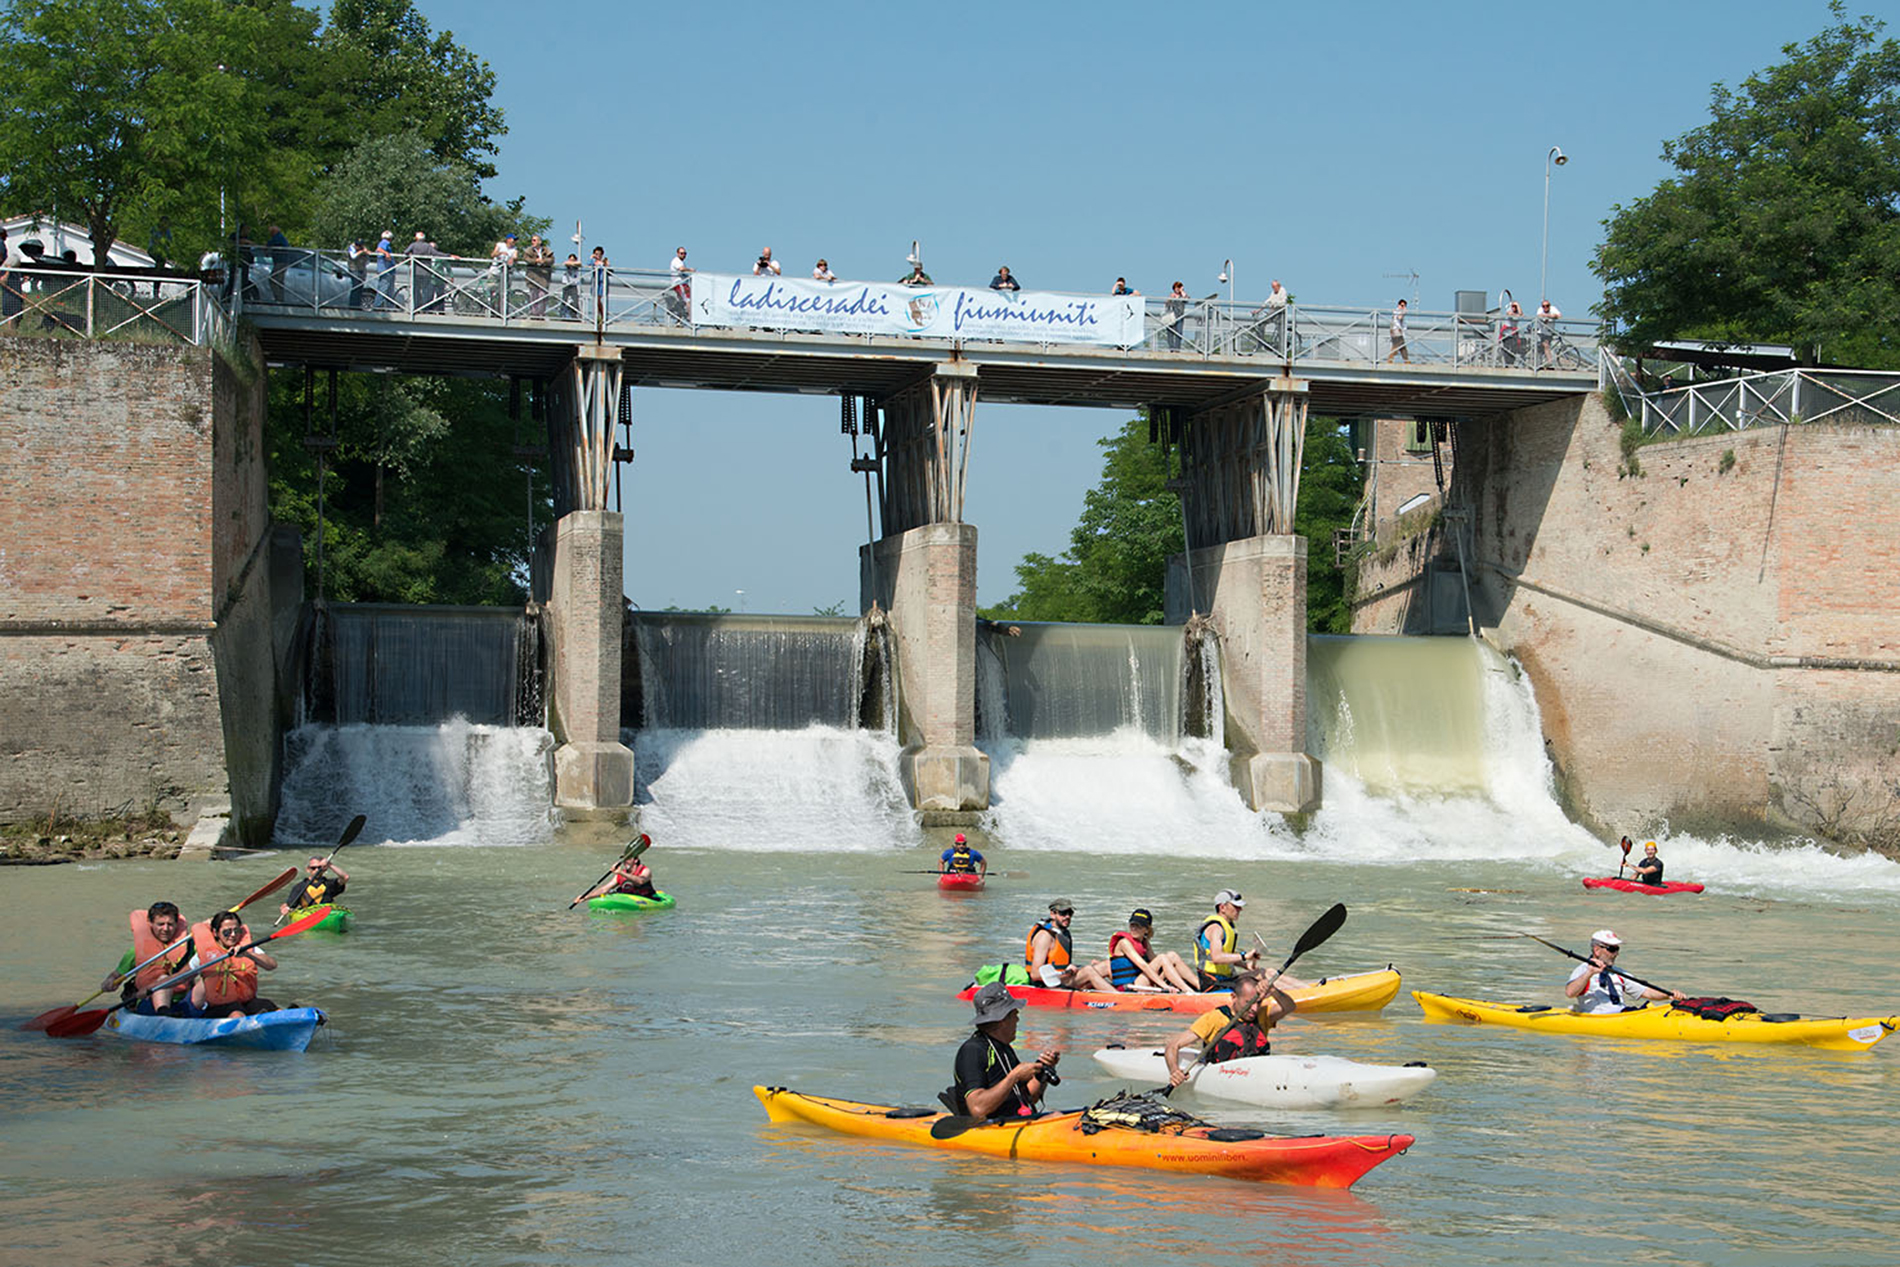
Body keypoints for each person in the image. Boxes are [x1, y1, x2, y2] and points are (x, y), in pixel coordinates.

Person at [948, 981, 1060, 1120]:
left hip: (1016, 1122)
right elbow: (977, 1108)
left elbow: (1029, 1097)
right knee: (1056, 1117)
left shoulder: (1003, 1048)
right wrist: (1014, 1076)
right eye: (1014, 1014)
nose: (1018, 1019)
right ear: (1002, 1019)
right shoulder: (972, 1051)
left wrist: (1043, 1071)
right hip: (989, 1129)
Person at [1161, 970, 1297, 1083]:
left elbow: (1290, 1006)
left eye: (1258, 1002)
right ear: (1234, 997)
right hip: (1222, 1077)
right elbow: (1173, 1045)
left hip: (1255, 1075)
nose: (1254, 1009)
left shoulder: (1263, 1015)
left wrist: (1273, 990)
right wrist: (1174, 1071)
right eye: (1248, 1003)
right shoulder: (1215, 1018)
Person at [101, 900, 194, 1016]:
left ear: (176, 924)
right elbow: (116, 975)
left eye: (170, 924)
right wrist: (109, 982)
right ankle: (163, 1012)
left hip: (182, 1000)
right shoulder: (136, 951)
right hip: (149, 1002)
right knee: (163, 978)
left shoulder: (189, 946)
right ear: (150, 923)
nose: (165, 929)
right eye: (160, 924)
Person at [1563, 929, 1687, 1014]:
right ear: (1597, 950)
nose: (1616, 954)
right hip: (1599, 1018)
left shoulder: (1618, 973)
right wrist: (1589, 973)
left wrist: (1668, 995)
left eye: (1617, 949)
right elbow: (1570, 992)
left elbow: (1646, 992)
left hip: (1621, 1014)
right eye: (1612, 949)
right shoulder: (1583, 969)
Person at [188, 910, 280, 1018]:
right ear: (215, 933)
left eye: (236, 931)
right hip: (220, 1008)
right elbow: (182, 977)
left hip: (247, 1003)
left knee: (267, 1005)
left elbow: (272, 965)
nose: (233, 935)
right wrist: (164, 986)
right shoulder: (205, 955)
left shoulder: (247, 949)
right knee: (236, 1013)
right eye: (227, 932)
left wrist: (248, 955)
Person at [1026, 900, 1114, 990]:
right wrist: (1065, 972)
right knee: (1088, 971)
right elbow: (1035, 975)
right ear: (1052, 914)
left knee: (1107, 965)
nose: (1067, 916)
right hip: (1048, 985)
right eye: (1063, 913)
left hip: (1065, 979)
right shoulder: (1044, 936)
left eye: (1070, 913)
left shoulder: (1062, 933)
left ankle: (1123, 990)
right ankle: (1119, 998)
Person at [1106, 909, 1198, 992]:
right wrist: (1165, 986)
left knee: (1172, 955)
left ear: (1146, 930)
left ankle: (1199, 985)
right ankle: (1187, 990)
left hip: (1141, 981)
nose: (1134, 928)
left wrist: (1171, 972)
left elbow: (1158, 963)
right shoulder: (1124, 943)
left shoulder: (1145, 943)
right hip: (1130, 986)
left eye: (1138, 926)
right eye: (1132, 925)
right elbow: (1144, 966)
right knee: (1162, 958)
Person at [280, 854, 349, 917]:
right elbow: (289, 905)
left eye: (319, 868)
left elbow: (345, 877)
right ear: (308, 869)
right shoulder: (299, 887)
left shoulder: (329, 884)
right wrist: (284, 908)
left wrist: (330, 865)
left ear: (324, 869)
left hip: (327, 915)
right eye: (313, 868)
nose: (316, 870)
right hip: (307, 915)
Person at [405, 231, 441, 313]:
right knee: (426, 291)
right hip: (426, 271)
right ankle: (425, 309)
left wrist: (410, 257)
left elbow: (406, 252)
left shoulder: (413, 245)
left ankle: (416, 308)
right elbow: (436, 253)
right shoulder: (427, 246)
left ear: (416, 238)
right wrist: (448, 255)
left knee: (416, 291)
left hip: (416, 271)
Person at [522, 234, 554, 317]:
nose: (532, 242)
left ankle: (541, 313)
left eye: (534, 240)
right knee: (533, 295)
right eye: (532, 240)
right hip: (533, 275)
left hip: (544, 276)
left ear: (540, 241)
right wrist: (535, 261)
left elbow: (551, 260)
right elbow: (526, 259)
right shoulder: (529, 250)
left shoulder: (546, 250)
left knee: (542, 295)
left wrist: (543, 261)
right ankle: (534, 313)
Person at [264, 225, 291, 303]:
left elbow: (272, 243)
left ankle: (279, 299)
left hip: (281, 262)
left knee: (274, 279)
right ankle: (280, 299)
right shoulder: (279, 238)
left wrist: (266, 246)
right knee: (278, 280)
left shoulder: (278, 237)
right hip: (280, 262)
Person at [1535, 298, 1563, 368]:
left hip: (1549, 331)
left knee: (1547, 346)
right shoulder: (1540, 310)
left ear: (1549, 306)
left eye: (1547, 306)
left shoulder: (1553, 309)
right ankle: (1550, 362)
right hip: (1541, 331)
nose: (1545, 308)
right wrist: (1551, 316)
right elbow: (1540, 317)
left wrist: (1548, 316)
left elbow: (1559, 315)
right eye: (1543, 306)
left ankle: (1545, 361)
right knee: (1546, 345)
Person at [1162, 280, 1188, 351]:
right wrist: (1170, 299)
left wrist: (1182, 291)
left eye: (1179, 287)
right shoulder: (1171, 295)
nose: (1177, 289)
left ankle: (1177, 348)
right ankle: (1171, 348)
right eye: (1176, 287)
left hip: (1180, 316)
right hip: (1171, 316)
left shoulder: (1182, 296)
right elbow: (1167, 305)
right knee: (1170, 332)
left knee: (1179, 332)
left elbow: (1186, 300)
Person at [1499, 299, 1524, 366]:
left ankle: (1512, 362)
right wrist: (1512, 305)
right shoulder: (1509, 310)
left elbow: (1521, 314)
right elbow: (1511, 314)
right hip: (1506, 332)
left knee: (1514, 348)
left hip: (1514, 332)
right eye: (1513, 306)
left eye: (1515, 307)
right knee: (1506, 347)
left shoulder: (1517, 312)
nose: (1514, 308)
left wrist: (1518, 305)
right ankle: (1507, 363)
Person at [589, 245, 611, 321]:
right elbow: (589, 265)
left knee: (598, 299)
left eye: (599, 254)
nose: (597, 256)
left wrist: (606, 264)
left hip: (602, 283)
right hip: (595, 282)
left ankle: (602, 316)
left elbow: (609, 270)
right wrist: (592, 258)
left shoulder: (604, 262)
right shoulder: (594, 261)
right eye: (596, 254)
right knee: (595, 300)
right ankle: (598, 316)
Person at [560, 252, 583, 319]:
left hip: (573, 285)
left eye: (573, 260)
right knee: (564, 300)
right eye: (570, 259)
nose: (571, 261)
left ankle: (574, 316)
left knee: (575, 301)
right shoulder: (567, 264)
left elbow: (579, 263)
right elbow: (565, 263)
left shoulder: (577, 265)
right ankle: (562, 315)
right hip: (566, 285)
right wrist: (571, 263)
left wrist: (573, 263)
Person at [1387, 298, 1410, 363]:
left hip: (1399, 331)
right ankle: (1390, 359)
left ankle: (1406, 360)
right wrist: (1403, 312)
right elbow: (1399, 317)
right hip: (1396, 330)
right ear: (1399, 305)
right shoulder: (1397, 311)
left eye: (1404, 306)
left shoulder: (1399, 311)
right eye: (1402, 305)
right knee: (1397, 345)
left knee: (1402, 346)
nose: (1403, 307)